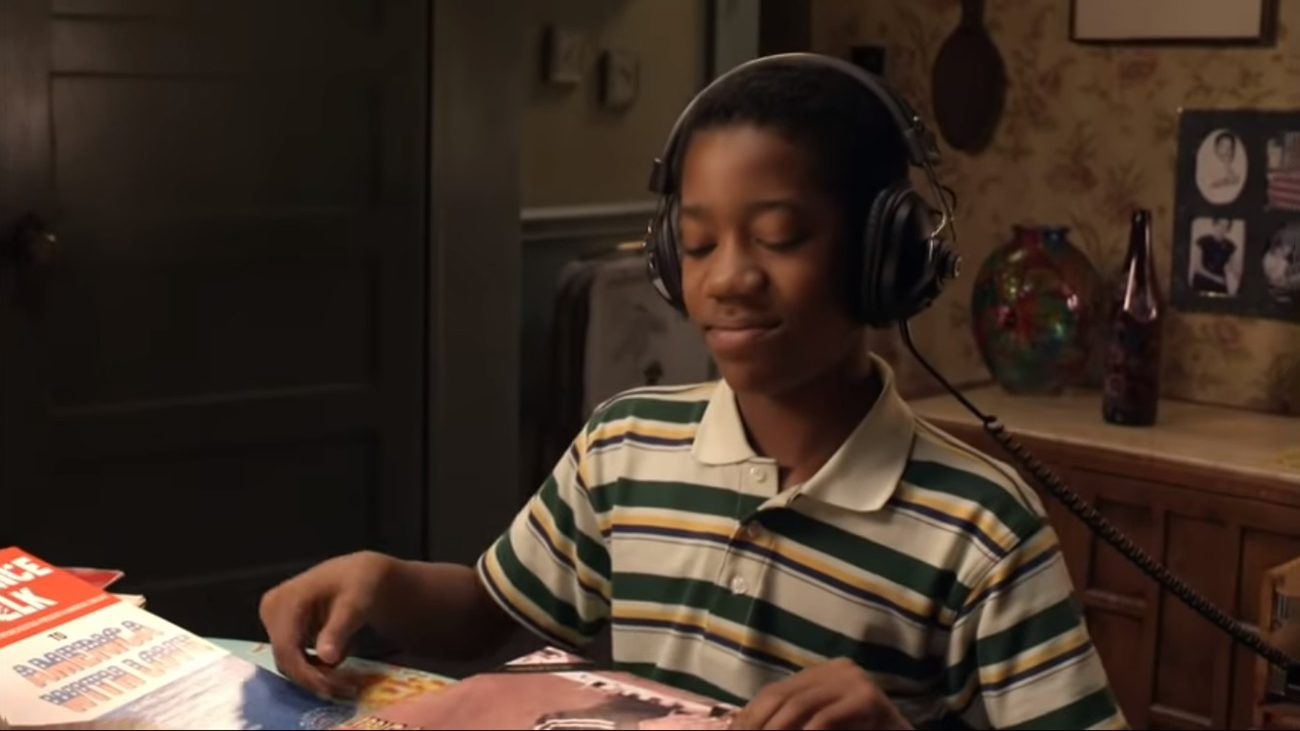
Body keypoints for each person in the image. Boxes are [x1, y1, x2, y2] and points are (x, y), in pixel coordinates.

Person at [259, 55, 1126, 730]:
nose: (728, 278)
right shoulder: (624, 446)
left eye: (779, 237)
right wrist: (382, 580)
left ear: (883, 258)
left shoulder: (982, 527)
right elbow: (491, 614)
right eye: (699, 244)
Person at [1191, 218, 1239, 295]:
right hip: (1202, 282)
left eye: (1226, 226)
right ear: (1214, 225)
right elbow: (1197, 267)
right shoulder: (1202, 241)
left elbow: (1234, 267)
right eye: (1220, 225)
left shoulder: (1230, 245)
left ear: (1228, 229)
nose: (1222, 228)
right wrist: (1215, 278)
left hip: (1220, 284)